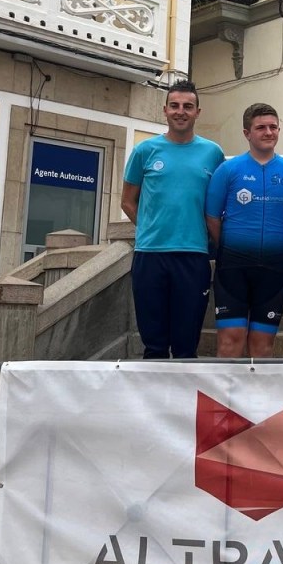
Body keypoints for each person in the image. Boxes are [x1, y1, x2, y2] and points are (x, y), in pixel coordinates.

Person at [121, 79, 224, 359]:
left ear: (197, 112)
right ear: (165, 110)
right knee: (153, 346)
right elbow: (127, 201)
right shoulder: (144, 151)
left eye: (188, 106)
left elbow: (219, 205)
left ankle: (183, 389)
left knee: (186, 347)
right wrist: (151, 228)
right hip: (150, 256)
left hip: (193, 256)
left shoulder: (213, 153)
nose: (181, 111)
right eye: (175, 106)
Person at [205, 103, 283, 357]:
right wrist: (229, 246)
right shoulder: (228, 170)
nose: (268, 132)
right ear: (247, 133)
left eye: (273, 127)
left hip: (274, 270)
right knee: (230, 342)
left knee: (262, 347)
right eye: (261, 127)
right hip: (233, 268)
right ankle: (226, 387)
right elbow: (212, 217)